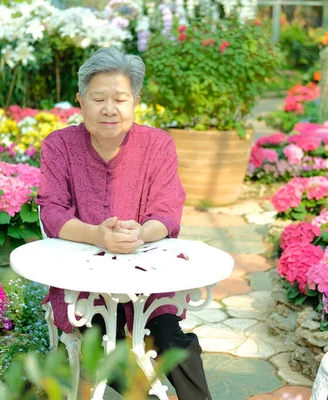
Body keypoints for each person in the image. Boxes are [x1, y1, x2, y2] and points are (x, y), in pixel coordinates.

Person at [36, 47, 212, 400]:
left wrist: (142, 233)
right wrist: (96, 235)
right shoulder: (59, 145)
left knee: (172, 338)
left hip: (145, 279)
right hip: (83, 281)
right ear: (80, 101)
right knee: (100, 339)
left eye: (120, 98)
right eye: (98, 98)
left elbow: (167, 210)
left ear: (136, 101)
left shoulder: (158, 145)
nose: (109, 109)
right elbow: (52, 212)